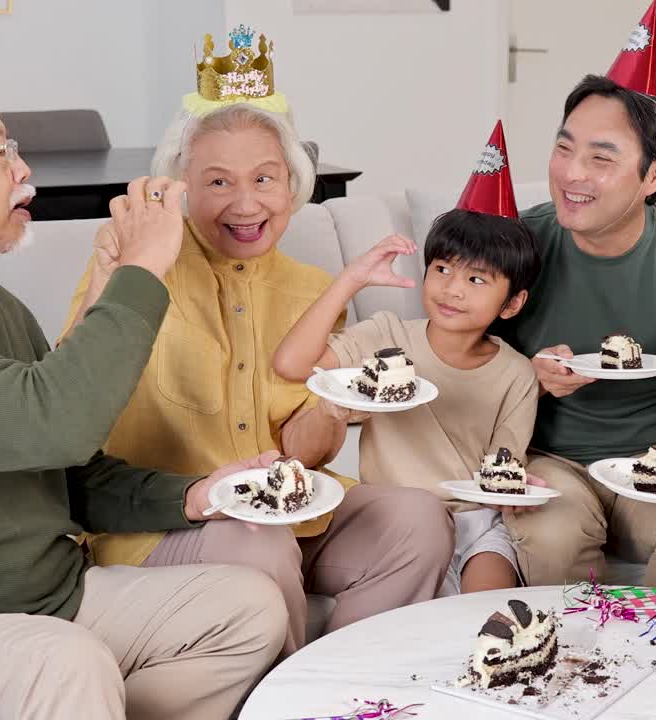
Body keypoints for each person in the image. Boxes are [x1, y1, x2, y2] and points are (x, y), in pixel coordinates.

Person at [0, 5, 285, 719]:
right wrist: (144, 267)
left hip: (38, 604)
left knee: (247, 608)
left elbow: (71, 472)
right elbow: (57, 421)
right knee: (63, 665)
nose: (23, 170)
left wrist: (193, 496)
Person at [60, 24, 452, 655]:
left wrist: (330, 409)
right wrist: (126, 269)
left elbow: (307, 448)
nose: (245, 203)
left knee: (418, 521)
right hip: (165, 517)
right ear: (181, 185)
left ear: (293, 185)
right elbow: (68, 387)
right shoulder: (138, 259)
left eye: (265, 178)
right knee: (259, 539)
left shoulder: (311, 289)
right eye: (218, 182)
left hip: (288, 508)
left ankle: (345, 681)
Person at [492, 1, 656, 592]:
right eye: (564, 148)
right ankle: (567, 668)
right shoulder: (517, 243)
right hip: (549, 457)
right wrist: (527, 375)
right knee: (555, 539)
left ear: (653, 176)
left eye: (601, 159)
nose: (571, 173)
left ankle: (655, 667)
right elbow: (458, 361)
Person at [274, 121, 543, 596]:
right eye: (442, 270)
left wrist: (518, 484)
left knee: (485, 611)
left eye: (477, 280)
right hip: (398, 520)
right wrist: (350, 281)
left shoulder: (516, 373)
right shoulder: (387, 334)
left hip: (477, 524)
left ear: (512, 304)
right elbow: (294, 366)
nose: (452, 289)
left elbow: (503, 464)